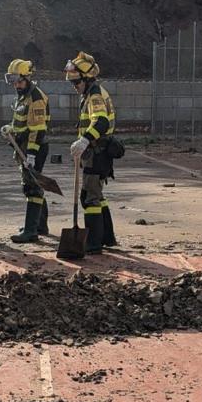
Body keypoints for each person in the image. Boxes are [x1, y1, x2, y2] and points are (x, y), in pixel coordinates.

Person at [66, 51, 118, 254]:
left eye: (77, 82)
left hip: (97, 152)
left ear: (87, 79)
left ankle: (94, 243)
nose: (75, 86)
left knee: (89, 198)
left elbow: (102, 121)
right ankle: (107, 236)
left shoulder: (95, 95)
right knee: (97, 194)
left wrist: (85, 140)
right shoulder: (92, 92)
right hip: (98, 152)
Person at [1, 59, 50, 243]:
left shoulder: (36, 98)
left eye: (19, 81)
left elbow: (37, 130)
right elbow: (22, 123)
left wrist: (31, 154)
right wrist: (11, 129)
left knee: (32, 188)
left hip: (34, 148)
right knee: (33, 184)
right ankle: (40, 225)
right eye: (13, 81)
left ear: (28, 78)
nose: (16, 85)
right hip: (22, 146)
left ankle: (31, 231)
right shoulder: (23, 96)